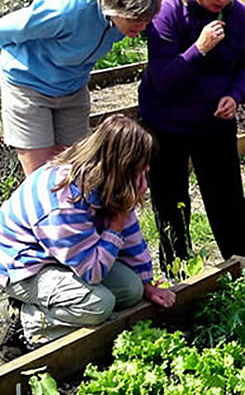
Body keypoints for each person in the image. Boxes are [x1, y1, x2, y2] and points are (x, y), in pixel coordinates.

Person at [0, 115, 175, 351]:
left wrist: (147, 282)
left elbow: (131, 235)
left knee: (132, 290)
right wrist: (117, 222)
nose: (144, 179)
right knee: (99, 305)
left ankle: (63, 312)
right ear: (121, 167)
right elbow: (92, 272)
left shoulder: (107, 181)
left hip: (65, 257)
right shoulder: (63, 199)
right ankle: (30, 323)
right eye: (139, 171)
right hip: (25, 268)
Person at [138, 0, 245, 271]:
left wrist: (235, 95)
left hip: (214, 123)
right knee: (171, 203)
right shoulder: (168, 13)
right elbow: (164, 80)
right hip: (166, 123)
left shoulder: (239, 15)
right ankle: (177, 272)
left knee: (228, 201)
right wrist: (199, 49)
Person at [0, 0, 162, 176]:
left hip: (72, 89)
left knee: (74, 170)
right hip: (28, 84)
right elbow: (5, 30)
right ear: (114, 7)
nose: (142, 28)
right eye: (135, 20)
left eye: (146, 21)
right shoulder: (66, 9)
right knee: (40, 177)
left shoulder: (122, 20)